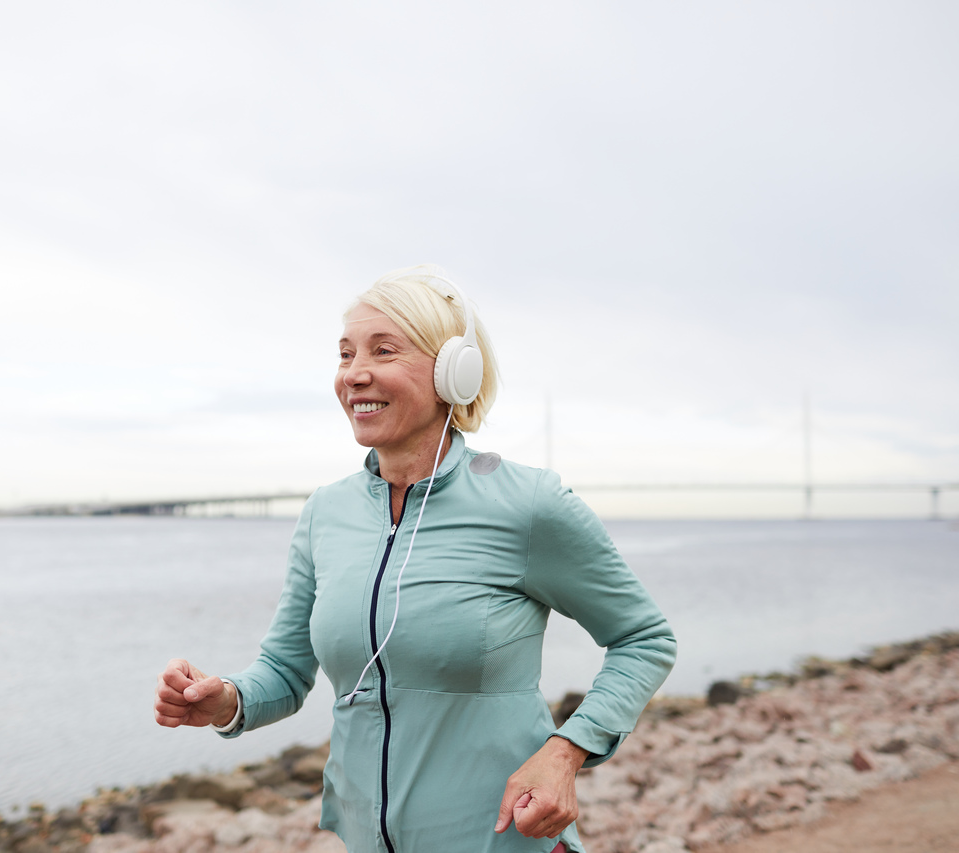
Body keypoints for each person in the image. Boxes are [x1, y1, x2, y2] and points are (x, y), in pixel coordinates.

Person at [154, 266, 676, 853]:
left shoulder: (527, 504)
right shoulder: (326, 513)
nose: (355, 374)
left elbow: (644, 639)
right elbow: (285, 670)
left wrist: (566, 752)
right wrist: (226, 700)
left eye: (384, 350)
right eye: (346, 354)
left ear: (455, 371)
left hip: (500, 841)